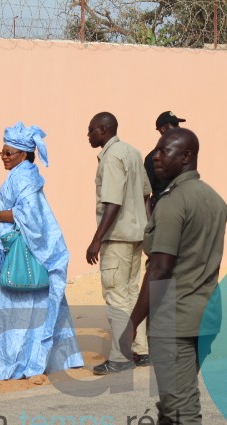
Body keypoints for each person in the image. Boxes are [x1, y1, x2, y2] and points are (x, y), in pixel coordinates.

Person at [123, 128, 227, 425]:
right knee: (173, 398)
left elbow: (160, 269)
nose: (156, 156)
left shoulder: (174, 202)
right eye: (156, 151)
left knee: (182, 407)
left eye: (165, 151)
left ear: (186, 156)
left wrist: (132, 322)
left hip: (175, 318)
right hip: (206, 314)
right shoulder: (214, 199)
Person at [0, 122, 83, 380]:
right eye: (2, 153)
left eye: (8, 153)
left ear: (22, 153)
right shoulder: (20, 174)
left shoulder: (24, 177)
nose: (4, 157)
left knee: (17, 307)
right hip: (12, 251)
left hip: (19, 256)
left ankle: (16, 364)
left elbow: (29, 214)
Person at [86, 112, 152, 374]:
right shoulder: (133, 152)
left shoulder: (112, 156)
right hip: (136, 237)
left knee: (116, 296)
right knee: (132, 293)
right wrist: (148, 229)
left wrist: (96, 239)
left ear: (103, 130)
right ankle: (141, 350)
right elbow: (147, 195)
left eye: (91, 130)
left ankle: (121, 356)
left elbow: (113, 201)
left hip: (117, 237)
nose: (88, 135)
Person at [144, 111, 186, 211]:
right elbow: (145, 194)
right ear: (163, 129)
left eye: (178, 125)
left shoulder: (183, 154)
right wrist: (150, 222)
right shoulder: (152, 158)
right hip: (162, 212)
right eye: (174, 125)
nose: (178, 128)